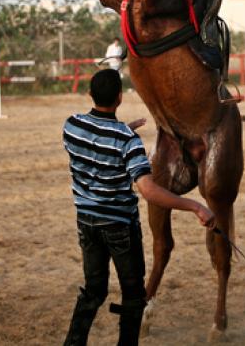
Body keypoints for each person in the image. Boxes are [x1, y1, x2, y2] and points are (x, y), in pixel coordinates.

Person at [62, 69, 215, 346]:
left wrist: (121, 131)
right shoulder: (128, 142)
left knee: (93, 291)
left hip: (86, 223)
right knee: (133, 295)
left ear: (90, 95)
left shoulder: (71, 126)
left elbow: (96, 140)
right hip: (120, 227)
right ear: (120, 98)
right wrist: (194, 205)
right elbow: (148, 190)